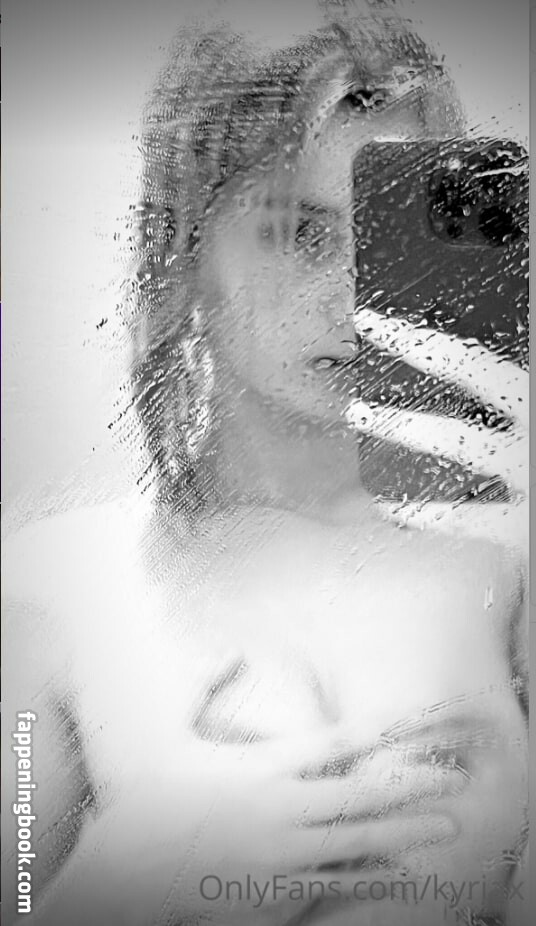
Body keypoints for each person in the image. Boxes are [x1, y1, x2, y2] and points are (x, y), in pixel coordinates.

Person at [3, 2, 528, 925]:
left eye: (391, 228)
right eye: (300, 231)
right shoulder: (53, 594)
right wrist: (119, 882)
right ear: (181, 254)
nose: (356, 295)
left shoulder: (506, 568)